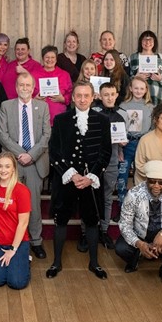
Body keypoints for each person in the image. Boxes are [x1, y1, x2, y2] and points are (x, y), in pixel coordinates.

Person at [46, 82, 111, 280]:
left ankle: (94, 263)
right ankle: (56, 262)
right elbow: (54, 151)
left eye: (86, 96)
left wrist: (91, 177)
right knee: (61, 220)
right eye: (79, 96)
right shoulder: (60, 119)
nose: (82, 99)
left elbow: (105, 152)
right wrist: (71, 174)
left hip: (90, 180)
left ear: (93, 98)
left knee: (91, 221)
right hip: (67, 179)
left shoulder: (102, 120)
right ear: (73, 98)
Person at [115, 160, 162, 289]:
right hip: (140, 236)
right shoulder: (134, 194)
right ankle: (136, 258)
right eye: (152, 181)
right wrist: (139, 244)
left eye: (161, 182)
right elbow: (124, 224)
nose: (156, 186)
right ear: (146, 180)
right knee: (121, 248)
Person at [0, 72, 51, 259]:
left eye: (28, 85)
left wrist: (31, 155)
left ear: (34, 87)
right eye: (21, 85)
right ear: (16, 87)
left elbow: (46, 136)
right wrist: (21, 154)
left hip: (35, 163)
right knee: (11, 204)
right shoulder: (6, 106)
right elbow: (3, 135)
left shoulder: (42, 106)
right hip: (13, 163)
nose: (25, 88)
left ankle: (35, 241)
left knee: (34, 204)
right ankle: (13, 241)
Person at [0, 152, 32, 289]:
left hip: (16, 241)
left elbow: (23, 223)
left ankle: (24, 260)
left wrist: (13, 249)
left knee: (16, 283)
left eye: (7, 166)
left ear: (13, 169)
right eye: (0, 166)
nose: (3, 170)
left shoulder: (21, 191)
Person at [93, 82, 127, 248]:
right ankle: (87, 234)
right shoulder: (93, 113)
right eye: (105, 94)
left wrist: (122, 143)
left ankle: (104, 232)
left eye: (112, 94)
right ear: (100, 95)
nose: (109, 97)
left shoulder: (121, 117)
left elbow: (122, 142)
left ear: (116, 95)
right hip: (94, 162)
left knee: (107, 198)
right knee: (91, 198)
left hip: (112, 162)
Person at [118, 77, 154, 205]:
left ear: (146, 90)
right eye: (136, 88)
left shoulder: (150, 107)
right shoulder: (123, 106)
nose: (139, 91)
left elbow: (152, 128)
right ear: (131, 89)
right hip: (126, 144)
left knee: (141, 175)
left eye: (142, 88)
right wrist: (119, 148)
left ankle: (140, 206)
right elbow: (119, 128)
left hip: (142, 143)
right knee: (122, 175)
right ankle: (122, 206)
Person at [31, 45, 72, 127]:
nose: (50, 60)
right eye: (47, 57)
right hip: (38, 118)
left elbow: (71, 94)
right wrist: (34, 99)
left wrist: (63, 99)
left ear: (56, 59)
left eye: (52, 57)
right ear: (42, 58)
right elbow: (26, 94)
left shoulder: (64, 75)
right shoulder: (33, 75)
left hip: (59, 119)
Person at [128, 30, 162, 105]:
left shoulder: (160, 58)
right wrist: (136, 77)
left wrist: (160, 79)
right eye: (145, 39)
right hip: (136, 98)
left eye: (150, 40)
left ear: (154, 42)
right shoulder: (132, 58)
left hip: (156, 98)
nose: (147, 42)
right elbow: (125, 79)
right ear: (140, 42)